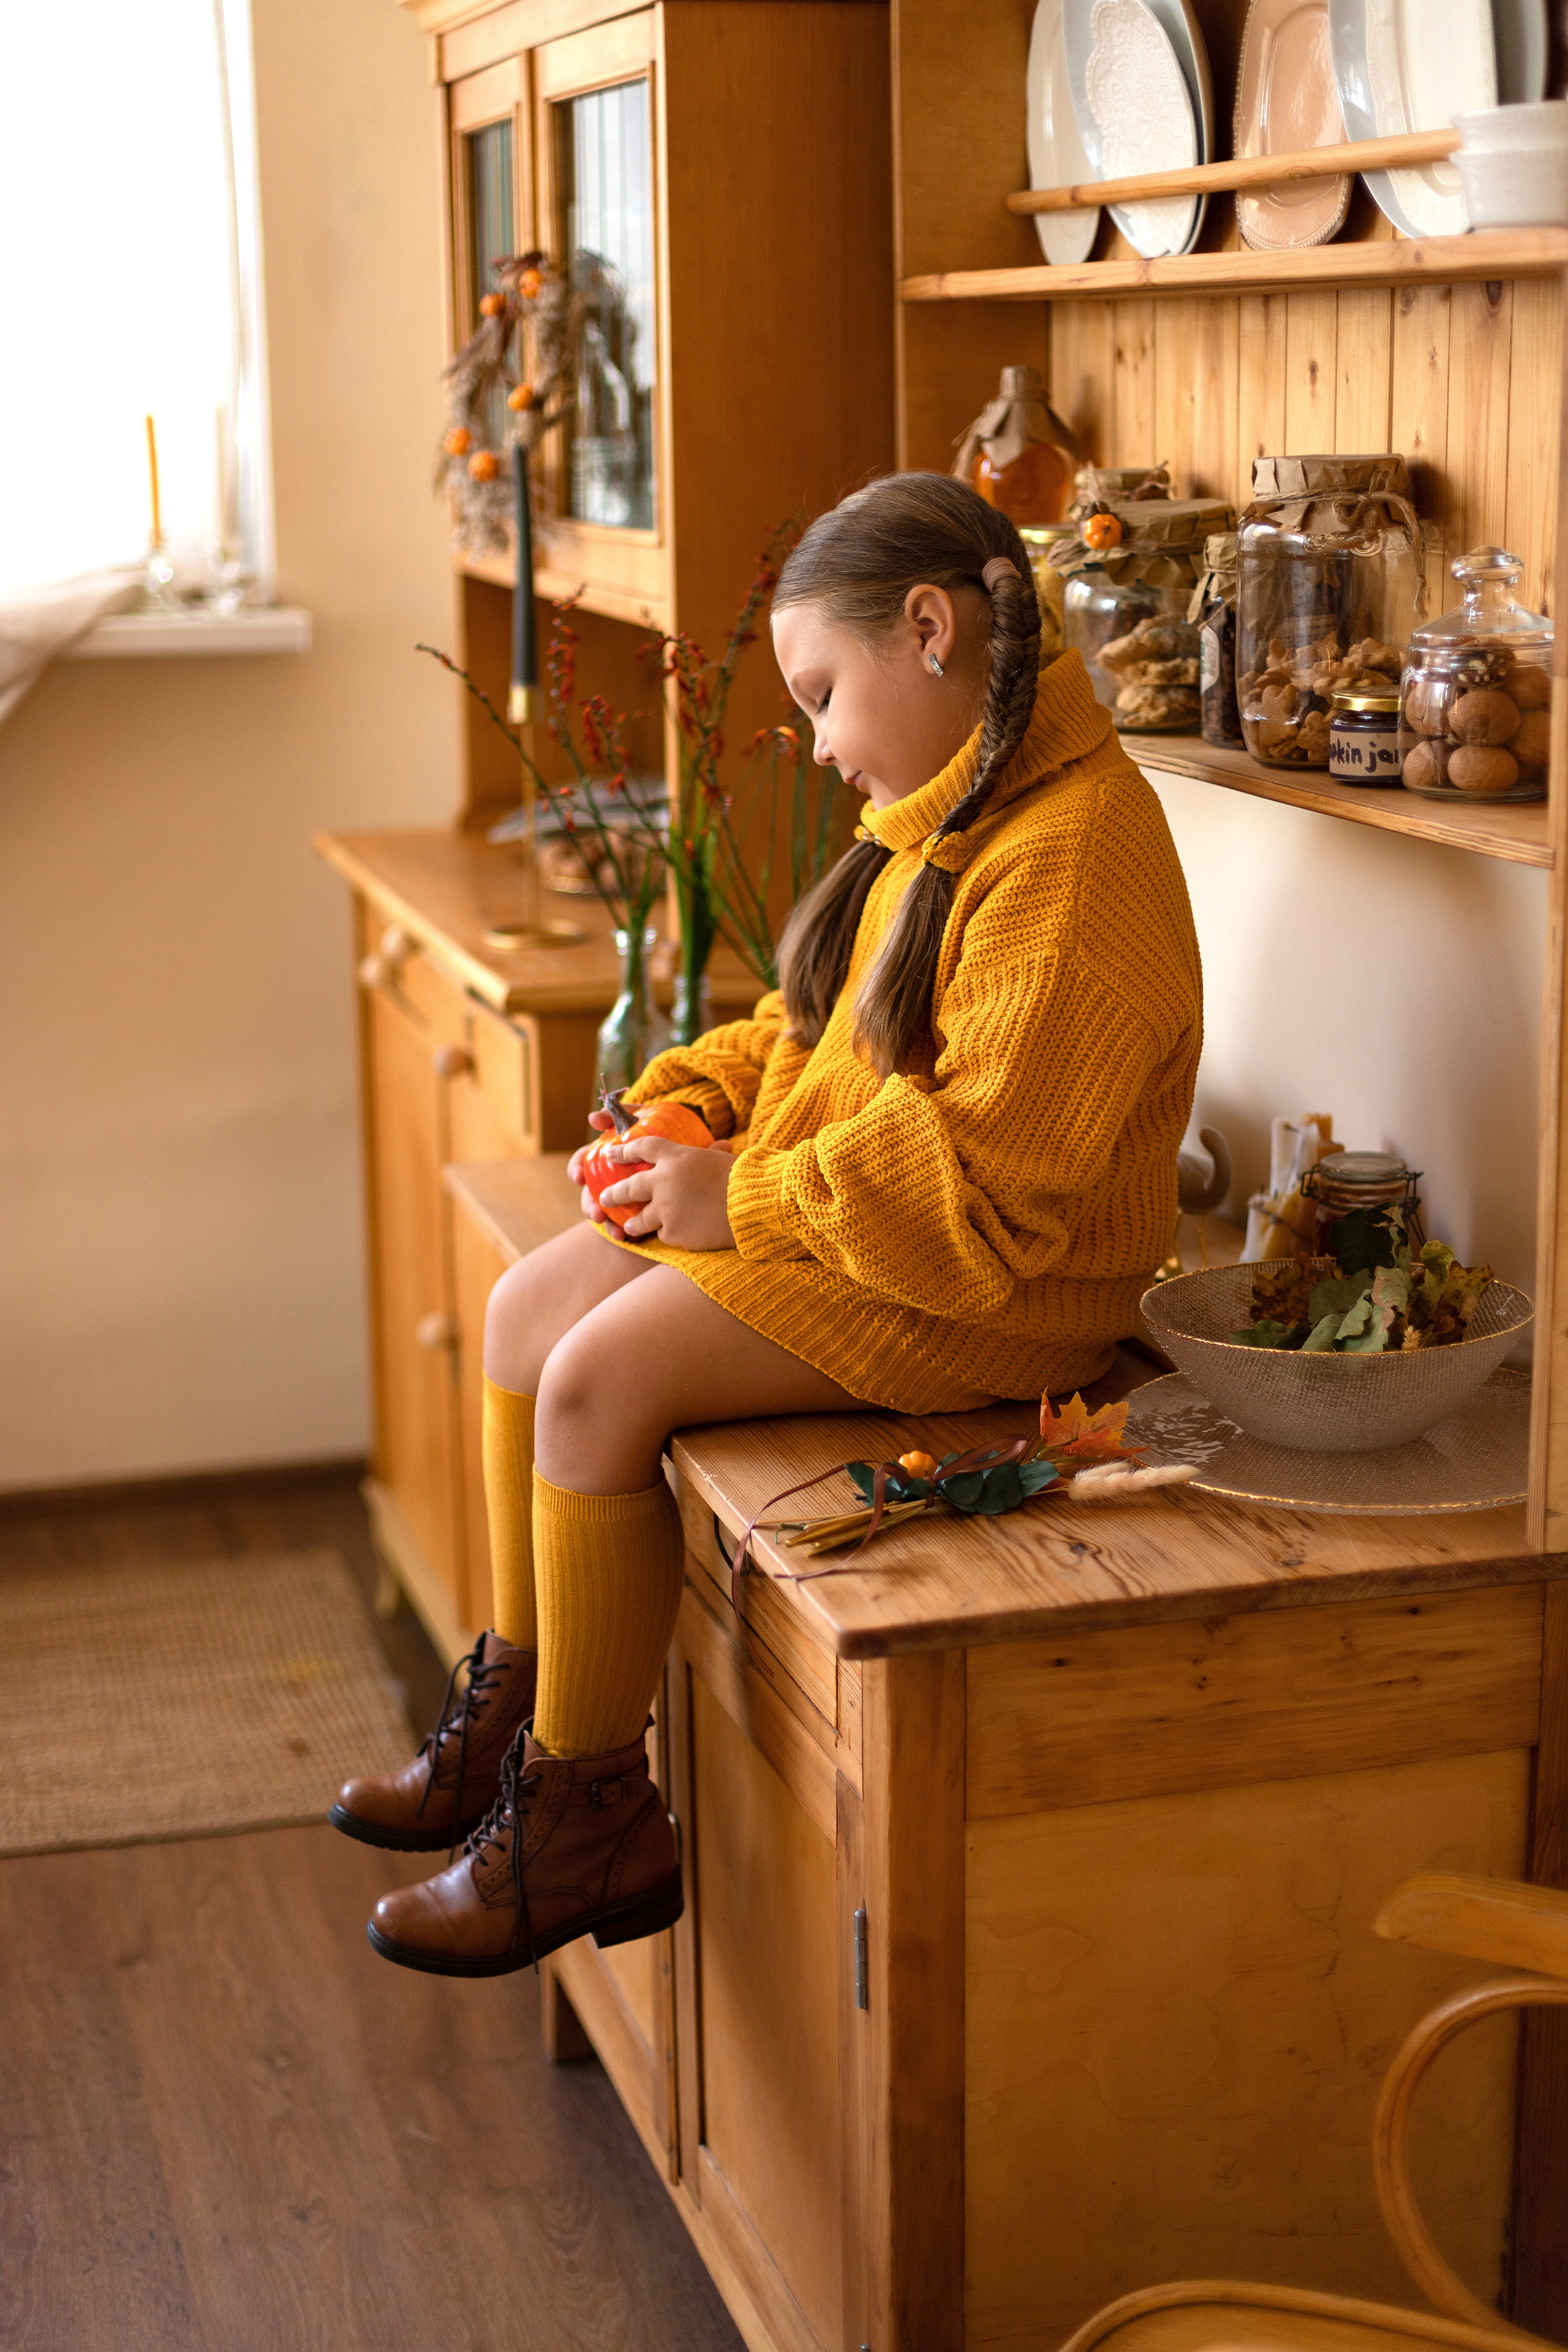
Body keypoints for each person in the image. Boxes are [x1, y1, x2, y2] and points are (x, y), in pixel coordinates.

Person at [331, 470, 1203, 1977]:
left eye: (819, 695)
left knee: (598, 1379)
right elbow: (814, 1046)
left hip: (1006, 1286)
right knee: (526, 1311)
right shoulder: (941, 820)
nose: (814, 741)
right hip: (895, 1227)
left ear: (926, 630)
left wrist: (735, 1195)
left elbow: (987, 1187)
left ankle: (586, 1813)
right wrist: (688, 1107)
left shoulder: (1068, 853)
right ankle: (524, 1711)